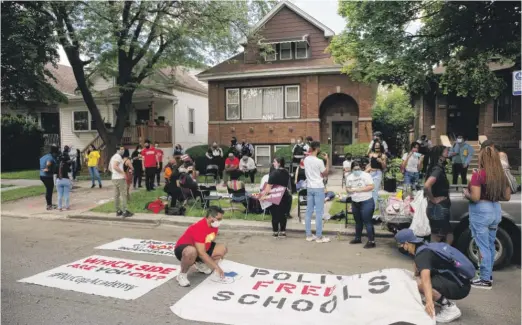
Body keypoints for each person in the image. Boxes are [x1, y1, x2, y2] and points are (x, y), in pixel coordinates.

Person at [395, 229, 470, 323]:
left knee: (419, 284)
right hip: (459, 280)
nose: (400, 247)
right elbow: (418, 271)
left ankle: (449, 308)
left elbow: (425, 281)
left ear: (406, 243)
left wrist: (429, 302)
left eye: (400, 244)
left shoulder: (422, 256)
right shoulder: (423, 246)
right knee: (418, 280)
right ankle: (439, 297)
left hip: (460, 287)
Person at [463, 146, 511, 289]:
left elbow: (476, 197)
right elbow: (507, 197)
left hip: (481, 212)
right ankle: (487, 275)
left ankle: (484, 279)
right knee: (489, 245)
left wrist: (466, 194)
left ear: (482, 159)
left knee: (482, 246)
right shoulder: (501, 176)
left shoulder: (478, 175)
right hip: (495, 210)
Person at [174, 206, 228, 286]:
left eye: (221, 219)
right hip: (184, 249)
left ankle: (199, 263)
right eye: (219, 219)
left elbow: (208, 242)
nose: (220, 221)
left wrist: (205, 259)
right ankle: (182, 275)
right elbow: (201, 252)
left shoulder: (214, 226)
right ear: (210, 217)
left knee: (222, 249)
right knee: (191, 251)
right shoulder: (199, 227)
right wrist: (216, 267)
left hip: (199, 248)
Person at [424, 145, 452, 244]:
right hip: (438, 206)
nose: (447, 152)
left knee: (436, 234)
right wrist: (433, 199)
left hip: (435, 207)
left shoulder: (434, 167)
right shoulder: (437, 169)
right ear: (440, 155)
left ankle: (434, 255)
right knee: (445, 235)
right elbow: (427, 185)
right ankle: (442, 255)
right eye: (445, 151)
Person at [303, 141, 330, 243]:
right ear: (317, 148)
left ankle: (309, 235)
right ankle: (319, 236)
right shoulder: (319, 161)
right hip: (318, 187)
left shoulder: (306, 160)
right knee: (319, 212)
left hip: (309, 187)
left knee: (309, 212)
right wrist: (327, 160)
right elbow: (325, 173)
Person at [346, 160, 376, 248]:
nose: (357, 170)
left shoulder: (366, 175)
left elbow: (371, 186)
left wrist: (358, 190)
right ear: (351, 169)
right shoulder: (349, 177)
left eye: (358, 169)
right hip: (355, 202)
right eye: (355, 169)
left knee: (367, 221)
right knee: (358, 221)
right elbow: (347, 188)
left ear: (361, 168)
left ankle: (371, 241)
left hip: (366, 201)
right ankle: (357, 238)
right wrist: (349, 190)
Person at [260, 157, 292, 238]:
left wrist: (262, 196)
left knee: (275, 214)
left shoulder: (274, 173)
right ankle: (283, 231)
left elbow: (268, 188)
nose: (273, 163)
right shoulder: (286, 172)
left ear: (279, 163)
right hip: (284, 194)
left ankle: (275, 232)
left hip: (275, 195)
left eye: (274, 162)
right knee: (283, 214)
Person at [109, 145, 133, 218]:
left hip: (114, 178)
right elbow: (115, 166)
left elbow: (109, 168)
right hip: (120, 179)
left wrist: (115, 173)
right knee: (123, 194)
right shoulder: (118, 157)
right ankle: (125, 211)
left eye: (123, 149)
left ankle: (118, 211)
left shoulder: (113, 157)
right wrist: (123, 173)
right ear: (118, 150)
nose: (122, 151)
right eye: (121, 149)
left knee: (116, 195)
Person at [366, 140, 387, 205]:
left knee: (374, 190)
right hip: (371, 173)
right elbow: (370, 164)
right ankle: (380, 200)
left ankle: (374, 206)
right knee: (370, 189)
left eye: (378, 146)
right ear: (374, 147)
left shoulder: (383, 155)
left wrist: (381, 161)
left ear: (380, 147)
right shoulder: (371, 154)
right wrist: (366, 170)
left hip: (378, 173)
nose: (377, 147)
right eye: (375, 146)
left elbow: (384, 167)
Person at [39, 145, 59, 210]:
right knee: (49, 190)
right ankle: (49, 205)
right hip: (47, 176)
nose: (56, 155)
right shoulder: (50, 158)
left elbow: (40, 161)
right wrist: (47, 168)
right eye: (56, 153)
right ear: (54, 153)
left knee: (48, 189)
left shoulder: (44, 156)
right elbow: (48, 163)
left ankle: (49, 203)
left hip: (42, 175)